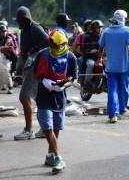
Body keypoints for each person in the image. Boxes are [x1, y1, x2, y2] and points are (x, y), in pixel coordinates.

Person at [34, 30, 76, 173]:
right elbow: (36, 75)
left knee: (56, 128)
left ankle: (51, 155)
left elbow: (72, 79)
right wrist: (47, 82)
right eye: (52, 45)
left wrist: (63, 85)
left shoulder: (71, 57)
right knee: (47, 126)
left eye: (57, 46)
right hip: (43, 96)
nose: (54, 48)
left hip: (59, 97)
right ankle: (59, 157)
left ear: (64, 44)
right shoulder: (43, 54)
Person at [98, 10, 129, 123]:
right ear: (123, 19)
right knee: (124, 89)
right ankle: (121, 110)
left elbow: (101, 47)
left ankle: (112, 114)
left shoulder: (106, 31)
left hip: (111, 67)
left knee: (112, 90)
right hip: (124, 66)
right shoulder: (127, 30)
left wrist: (99, 60)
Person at [14, 6, 49, 140]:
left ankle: (28, 130)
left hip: (35, 68)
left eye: (23, 19)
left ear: (27, 18)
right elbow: (23, 52)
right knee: (38, 99)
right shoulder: (25, 30)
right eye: (19, 20)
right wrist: (18, 69)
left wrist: (33, 50)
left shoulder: (35, 28)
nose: (21, 22)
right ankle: (44, 129)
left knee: (23, 97)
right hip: (28, 67)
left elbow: (47, 40)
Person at [0, 24, 18, 94]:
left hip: (7, 58)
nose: (4, 32)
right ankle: (3, 84)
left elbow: (11, 48)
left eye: (4, 31)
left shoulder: (9, 39)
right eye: (2, 31)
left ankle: (10, 87)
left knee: (6, 71)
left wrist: (7, 49)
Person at [81, 20, 104, 85]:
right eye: (98, 27)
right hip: (90, 58)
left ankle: (108, 81)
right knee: (91, 64)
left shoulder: (103, 36)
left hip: (101, 57)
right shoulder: (88, 37)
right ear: (94, 28)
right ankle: (87, 82)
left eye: (101, 27)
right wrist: (90, 51)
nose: (100, 29)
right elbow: (83, 49)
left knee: (109, 63)